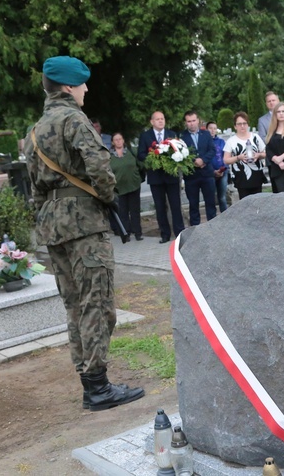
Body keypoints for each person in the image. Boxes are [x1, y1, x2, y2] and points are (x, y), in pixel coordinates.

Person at [25, 56, 144, 411]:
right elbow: (99, 166)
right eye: (83, 84)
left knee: (74, 305)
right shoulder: (74, 119)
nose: (87, 89)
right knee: (98, 305)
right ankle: (98, 388)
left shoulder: (35, 130)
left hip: (53, 227)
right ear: (67, 87)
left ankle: (89, 381)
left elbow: (34, 188)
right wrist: (107, 198)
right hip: (84, 224)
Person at [138, 111, 184, 244]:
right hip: (155, 177)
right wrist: (153, 158)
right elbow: (141, 154)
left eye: (162, 119)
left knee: (175, 205)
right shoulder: (145, 136)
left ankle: (179, 233)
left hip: (171, 177)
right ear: (152, 121)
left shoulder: (172, 135)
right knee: (160, 207)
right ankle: (165, 234)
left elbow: (179, 151)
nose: (160, 121)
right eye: (157, 119)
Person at [179, 110, 216, 225]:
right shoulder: (182, 137)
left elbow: (212, 150)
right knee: (193, 204)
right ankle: (195, 229)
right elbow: (180, 154)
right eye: (189, 121)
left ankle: (213, 226)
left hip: (207, 174)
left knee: (210, 202)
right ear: (186, 123)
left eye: (194, 120)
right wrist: (194, 161)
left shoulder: (206, 134)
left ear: (198, 121)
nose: (192, 123)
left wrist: (203, 160)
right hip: (191, 176)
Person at [109, 132, 144, 241]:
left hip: (133, 185)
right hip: (119, 188)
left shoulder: (132, 152)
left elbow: (141, 165)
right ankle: (126, 233)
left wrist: (138, 177)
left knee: (135, 210)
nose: (119, 141)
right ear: (113, 142)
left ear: (123, 140)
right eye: (116, 140)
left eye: (120, 139)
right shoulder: (109, 156)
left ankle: (138, 232)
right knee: (122, 212)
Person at [224, 112, 267, 199]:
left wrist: (258, 155)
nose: (242, 126)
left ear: (248, 125)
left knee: (258, 201)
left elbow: (265, 153)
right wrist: (238, 157)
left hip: (256, 174)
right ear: (235, 126)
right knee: (245, 202)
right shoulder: (231, 141)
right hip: (241, 176)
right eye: (239, 124)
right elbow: (226, 160)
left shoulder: (255, 137)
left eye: (244, 123)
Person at [207, 121, 228, 212]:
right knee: (211, 197)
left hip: (223, 172)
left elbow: (226, 155)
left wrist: (223, 169)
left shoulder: (221, 141)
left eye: (214, 128)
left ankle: (225, 217)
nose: (212, 130)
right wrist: (213, 171)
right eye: (210, 128)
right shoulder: (205, 142)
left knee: (222, 197)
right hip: (210, 173)